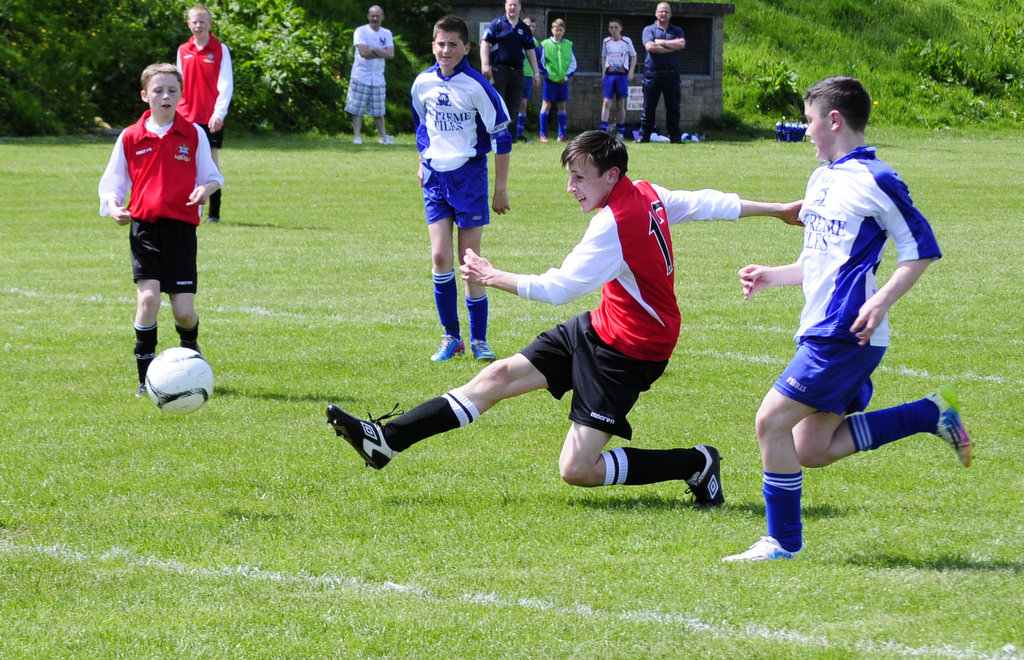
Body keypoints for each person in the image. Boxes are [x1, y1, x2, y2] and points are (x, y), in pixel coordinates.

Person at [326, 130, 801, 506]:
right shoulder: (645, 192)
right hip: (602, 325)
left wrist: (493, 275)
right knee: (497, 375)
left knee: (577, 469)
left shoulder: (612, 224)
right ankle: (387, 440)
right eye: (569, 175)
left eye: (579, 177)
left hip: (632, 351)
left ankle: (695, 462)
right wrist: (777, 210)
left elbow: (558, 288)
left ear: (611, 175)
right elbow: (707, 202)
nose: (569, 187)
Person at [722, 76, 972, 563]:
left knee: (770, 422)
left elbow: (919, 250)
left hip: (845, 330)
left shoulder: (878, 180)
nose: (806, 132)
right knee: (810, 448)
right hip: (824, 326)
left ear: (833, 120)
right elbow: (823, 260)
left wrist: (882, 302)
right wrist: (774, 275)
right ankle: (930, 413)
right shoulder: (821, 180)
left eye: (810, 121)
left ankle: (782, 543)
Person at [98, 63, 224, 396]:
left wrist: (204, 190)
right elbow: (112, 184)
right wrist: (113, 207)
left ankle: (193, 353)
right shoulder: (131, 136)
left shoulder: (193, 133)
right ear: (145, 96)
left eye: (172, 90)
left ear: (180, 95)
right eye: (158, 90)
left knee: (183, 312)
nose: (165, 96)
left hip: (182, 231)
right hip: (145, 230)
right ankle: (145, 380)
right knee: (149, 298)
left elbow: (213, 176)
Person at [410, 15, 513, 362]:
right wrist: (422, 160)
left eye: (453, 44)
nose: (446, 50)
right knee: (439, 256)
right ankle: (451, 337)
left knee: (470, 262)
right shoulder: (422, 83)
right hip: (436, 179)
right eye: (440, 43)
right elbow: (420, 124)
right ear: (433, 45)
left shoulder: (477, 86)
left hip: (469, 177)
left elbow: (502, 136)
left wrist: (500, 189)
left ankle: (479, 339)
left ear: (467, 48)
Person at [176, 4, 232, 223]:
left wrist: (219, 112)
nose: (198, 25)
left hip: (210, 118)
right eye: (194, 22)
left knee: (211, 164)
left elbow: (226, 83)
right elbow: (177, 82)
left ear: (210, 24)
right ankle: (184, 207)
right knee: (182, 160)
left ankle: (214, 214)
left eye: (202, 21)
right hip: (185, 116)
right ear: (189, 24)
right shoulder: (183, 50)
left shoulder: (220, 50)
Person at [481, 0, 541, 140]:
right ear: (505, 6)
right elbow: (485, 43)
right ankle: (495, 134)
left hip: (517, 72)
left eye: (515, 5)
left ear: (520, 7)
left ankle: (510, 136)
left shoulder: (524, 28)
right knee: (498, 103)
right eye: (509, 4)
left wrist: (536, 73)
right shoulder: (497, 24)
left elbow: (530, 50)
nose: (512, 7)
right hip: (499, 70)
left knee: (515, 105)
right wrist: (485, 64)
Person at [345, 5, 395, 146]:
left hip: (378, 77)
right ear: (368, 16)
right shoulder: (361, 31)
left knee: (379, 111)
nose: (374, 18)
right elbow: (363, 53)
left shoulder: (386, 33)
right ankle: (357, 137)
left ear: (382, 17)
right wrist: (380, 52)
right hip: (360, 75)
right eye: (372, 16)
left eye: (377, 16)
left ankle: (383, 138)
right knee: (357, 109)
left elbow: (390, 54)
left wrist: (372, 48)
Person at [639, 2, 685, 144]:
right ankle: (644, 137)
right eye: (661, 11)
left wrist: (661, 42)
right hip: (652, 75)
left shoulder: (677, 30)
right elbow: (650, 47)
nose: (663, 14)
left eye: (666, 11)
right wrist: (671, 46)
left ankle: (675, 138)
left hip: (671, 75)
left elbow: (681, 44)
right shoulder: (649, 30)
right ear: (656, 13)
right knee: (648, 108)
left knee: (673, 108)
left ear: (670, 14)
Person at [536, 18, 577, 143]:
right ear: (552, 30)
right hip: (549, 80)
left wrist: (565, 77)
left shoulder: (568, 44)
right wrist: (548, 74)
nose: (558, 32)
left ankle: (562, 135)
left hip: (563, 81)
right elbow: (540, 62)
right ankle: (543, 134)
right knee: (546, 105)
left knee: (562, 105)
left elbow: (573, 63)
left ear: (564, 31)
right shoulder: (545, 44)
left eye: (560, 30)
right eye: (556, 29)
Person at [600, 18, 637, 139]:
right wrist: (603, 72)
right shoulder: (606, 41)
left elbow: (634, 56)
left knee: (620, 103)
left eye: (616, 27)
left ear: (620, 28)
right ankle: (603, 130)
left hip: (622, 75)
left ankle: (621, 130)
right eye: (611, 27)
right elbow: (604, 57)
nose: (613, 30)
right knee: (606, 102)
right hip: (610, 75)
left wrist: (631, 72)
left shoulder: (626, 41)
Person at [515, 16, 541, 143]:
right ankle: (509, 133)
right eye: (528, 25)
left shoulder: (534, 43)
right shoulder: (516, 38)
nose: (530, 28)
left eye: (533, 27)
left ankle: (519, 134)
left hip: (527, 76)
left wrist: (536, 74)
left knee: (523, 104)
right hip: (515, 74)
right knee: (511, 103)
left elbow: (538, 58)